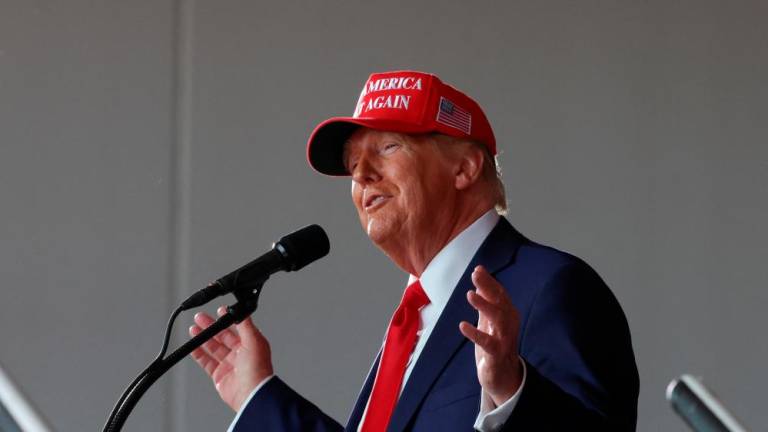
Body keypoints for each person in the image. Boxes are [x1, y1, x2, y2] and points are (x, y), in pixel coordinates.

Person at [188, 70, 639, 431]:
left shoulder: (550, 285)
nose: (361, 172)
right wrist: (258, 396)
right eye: (351, 164)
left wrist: (514, 391)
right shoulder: (415, 316)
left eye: (388, 146)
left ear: (464, 167)